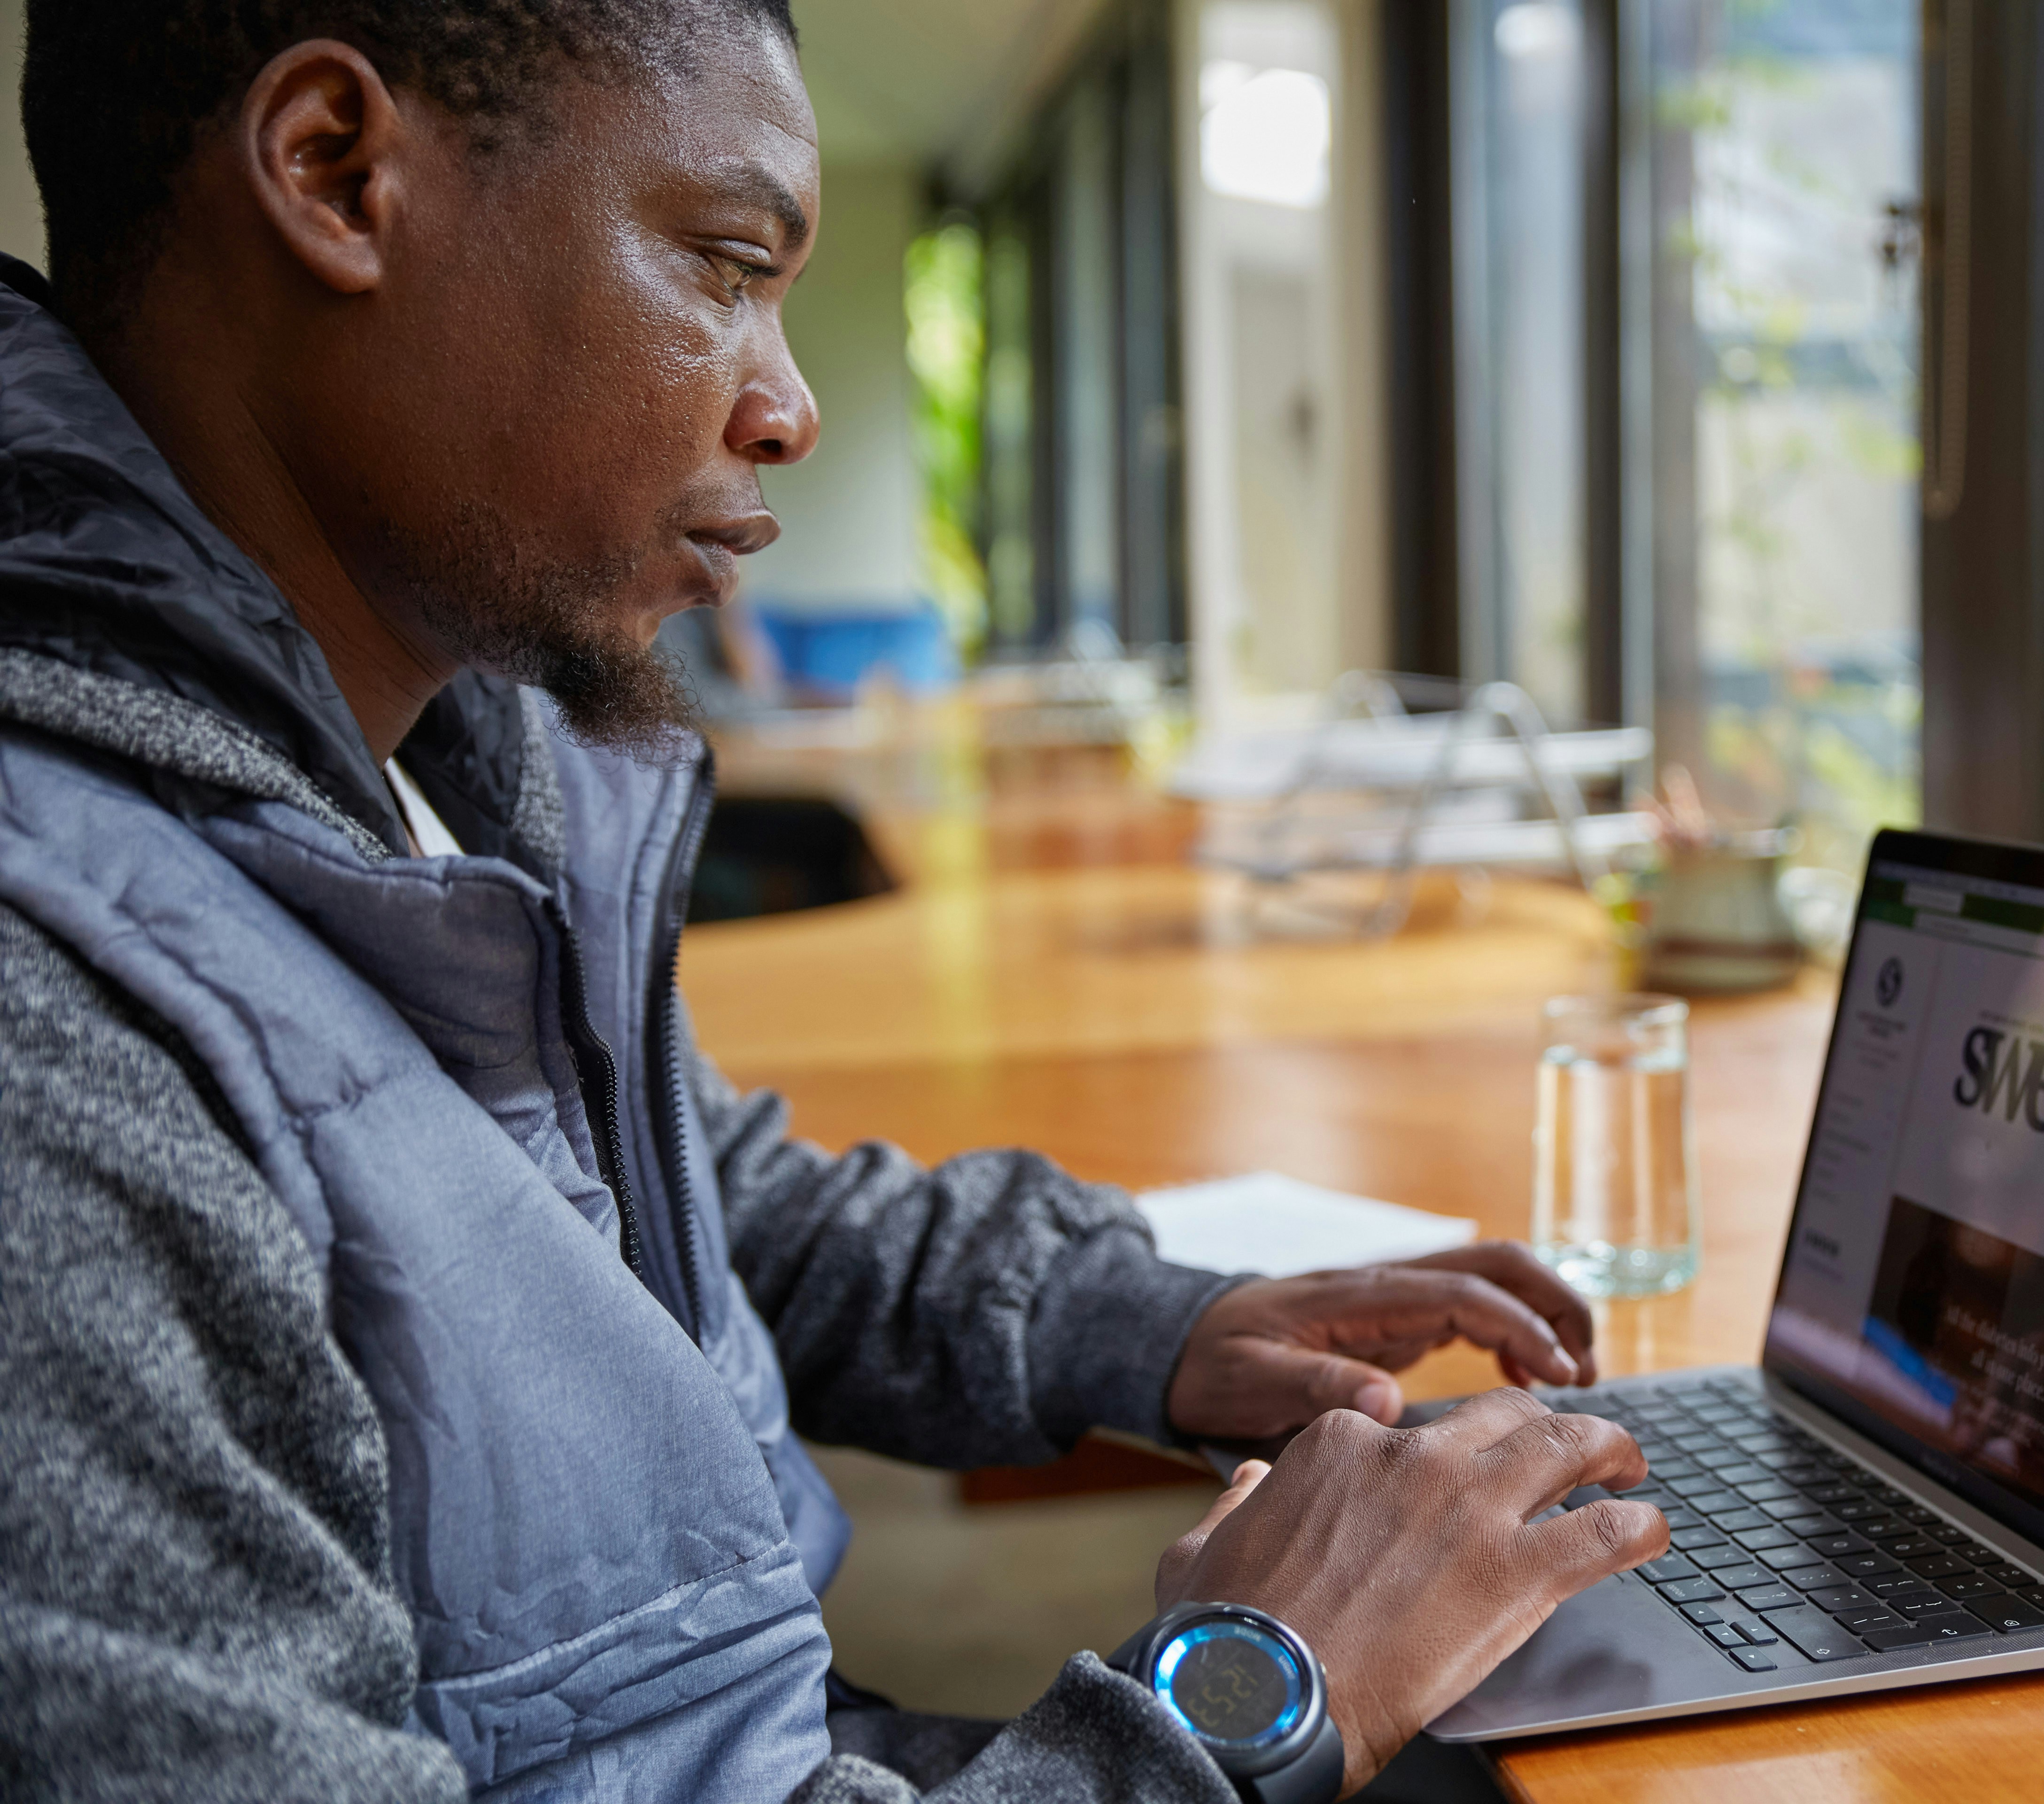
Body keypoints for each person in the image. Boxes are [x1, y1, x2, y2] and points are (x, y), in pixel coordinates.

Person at [0, 4, 1667, 1800]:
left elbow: (660, 1207)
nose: (788, 406)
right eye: (724, 264)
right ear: (338, 171)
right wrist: (1236, 1703)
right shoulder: (52, 1053)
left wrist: (1143, 1323)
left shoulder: (428, 750)